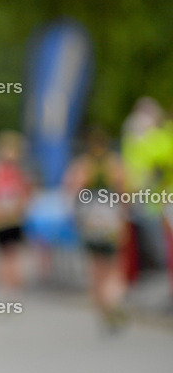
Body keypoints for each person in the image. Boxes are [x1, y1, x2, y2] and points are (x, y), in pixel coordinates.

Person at [65, 128, 128, 332]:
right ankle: (112, 302)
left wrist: (76, 219)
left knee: (96, 267)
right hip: (109, 217)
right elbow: (124, 193)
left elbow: (72, 192)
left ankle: (102, 308)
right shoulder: (114, 165)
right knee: (113, 265)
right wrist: (123, 220)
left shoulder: (82, 166)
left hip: (90, 218)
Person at [0, 130, 33, 291]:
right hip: (0, 219)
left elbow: (26, 196)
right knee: (2, 254)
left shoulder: (19, 173)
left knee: (12, 253)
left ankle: (12, 285)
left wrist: (18, 210)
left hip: (13, 219)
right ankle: (5, 286)